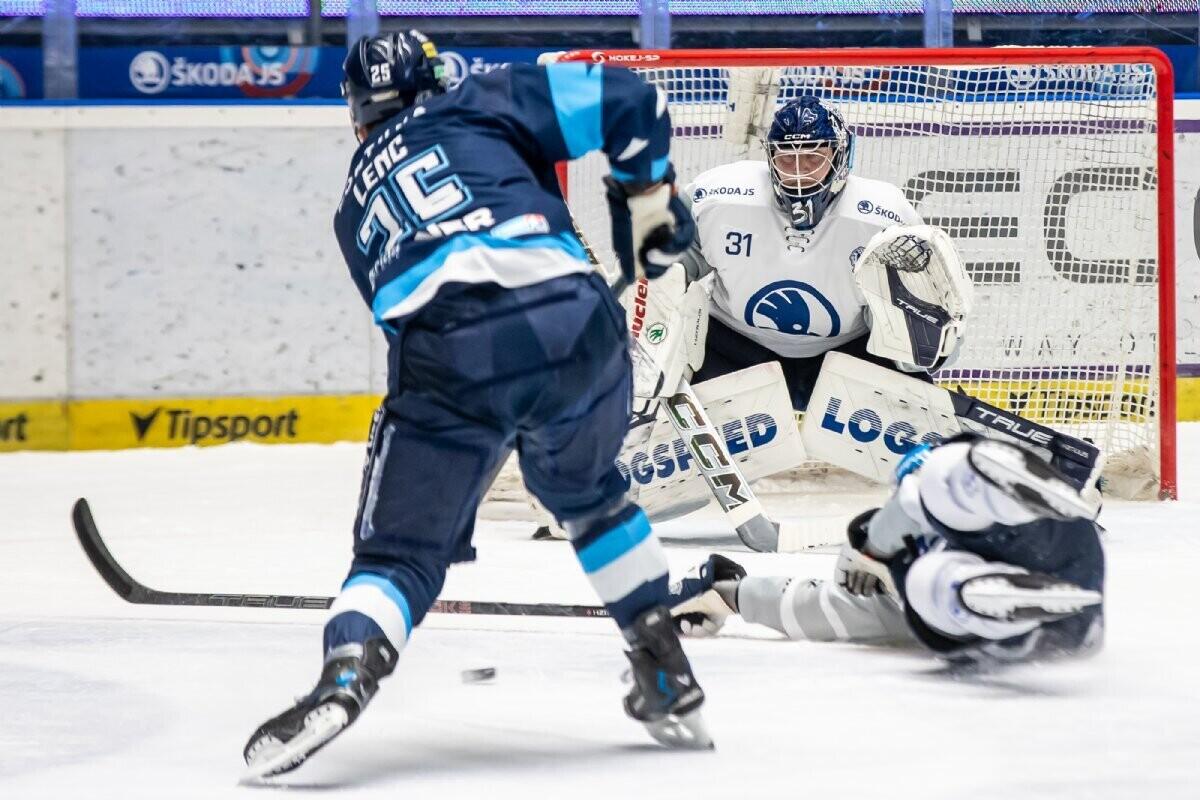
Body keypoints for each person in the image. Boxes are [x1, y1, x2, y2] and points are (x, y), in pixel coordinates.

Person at [242, 31, 712, 779]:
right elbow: (632, 97)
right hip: (577, 320)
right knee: (590, 496)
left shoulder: (352, 207)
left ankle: (346, 674)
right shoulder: (482, 98)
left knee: (398, 555)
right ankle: (663, 666)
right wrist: (647, 196)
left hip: (451, 352)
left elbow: (411, 323)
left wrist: (465, 443)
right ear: (436, 80)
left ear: (357, 113)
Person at [671, 435, 1105, 666]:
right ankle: (972, 490)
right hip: (1069, 562)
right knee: (929, 518)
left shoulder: (885, 588)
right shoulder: (891, 576)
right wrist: (729, 593)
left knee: (929, 584)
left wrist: (731, 595)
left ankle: (970, 591)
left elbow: (811, 609)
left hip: (1051, 621)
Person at [677, 95, 973, 411]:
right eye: (787, 159)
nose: (799, 172)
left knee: (911, 406)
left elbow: (926, 313)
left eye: (813, 158)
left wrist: (923, 346)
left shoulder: (884, 217)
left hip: (848, 354)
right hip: (733, 348)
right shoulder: (718, 199)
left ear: (841, 156)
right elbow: (663, 266)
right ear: (770, 158)